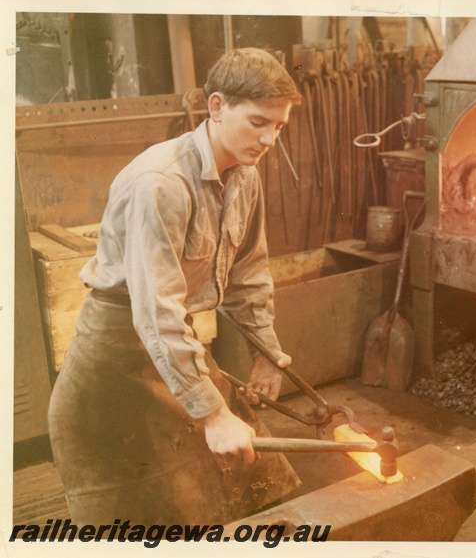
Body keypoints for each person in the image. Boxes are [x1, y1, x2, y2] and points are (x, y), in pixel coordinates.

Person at [48, 48, 303, 526]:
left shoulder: (245, 177)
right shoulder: (161, 182)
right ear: (216, 106)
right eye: (258, 122)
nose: (269, 139)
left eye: (279, 127)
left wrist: (265, 351)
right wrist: (211, 413)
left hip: (170, 344)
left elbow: (249, 273)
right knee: (140, 524)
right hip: (113, 368)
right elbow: (155, 310)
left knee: (250, 480)